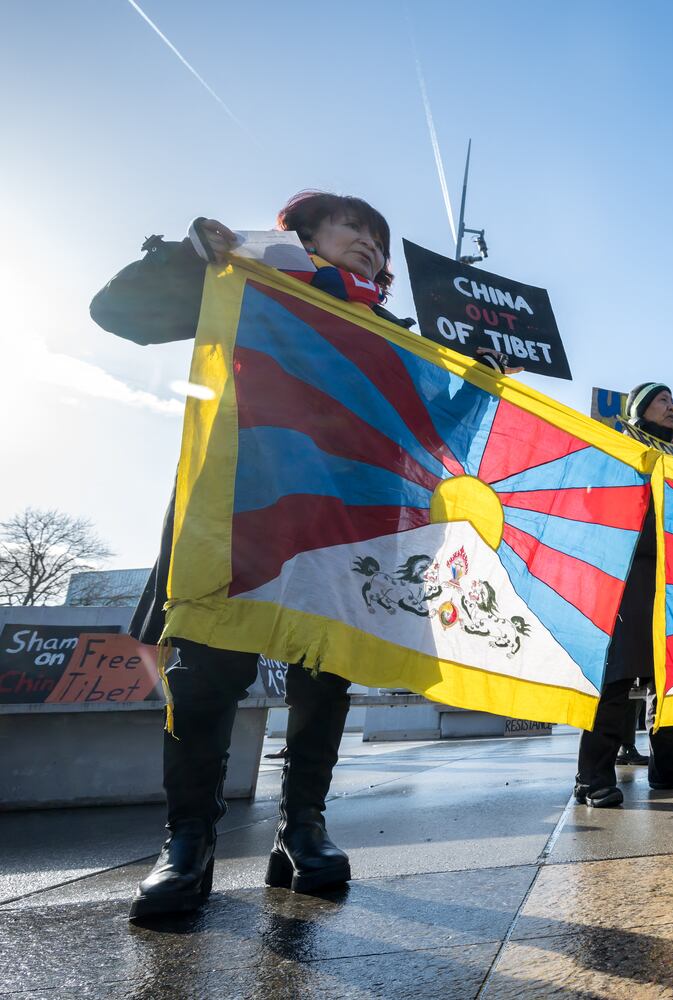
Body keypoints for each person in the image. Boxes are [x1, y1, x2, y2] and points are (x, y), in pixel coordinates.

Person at [91, 194, 415, 920]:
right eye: (353, 227)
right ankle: (189, 841)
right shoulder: (247, 284)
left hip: (339, 528)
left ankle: (302, 828)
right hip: (234, 513)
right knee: (206, 673)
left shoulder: (391, 330)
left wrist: (475, 375)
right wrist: (187, 259)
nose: (368, 243)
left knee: (326, 674)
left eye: (378, 238)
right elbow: (118, 314)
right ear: (303, 236)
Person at [574, 383, 673, 806]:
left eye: (672, 401)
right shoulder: (619, 447)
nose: (672, 409)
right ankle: (592, 776)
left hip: (672, 577)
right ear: (640, 410)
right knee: (616, 677)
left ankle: (671, 768)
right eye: (662, 402)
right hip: (629, 573)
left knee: (669, 678)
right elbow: (596, 504)